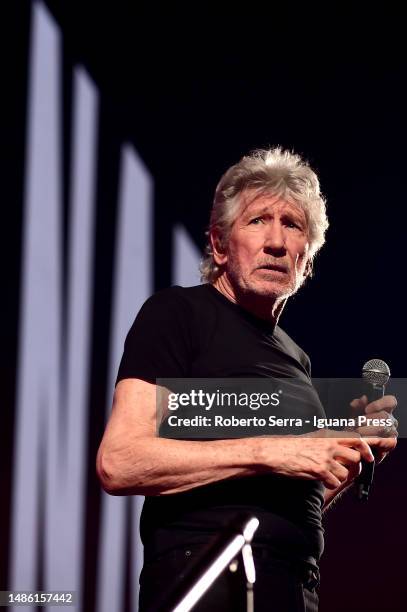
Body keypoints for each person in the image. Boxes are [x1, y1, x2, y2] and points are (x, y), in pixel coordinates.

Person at [96, 148, 398, 611]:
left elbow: (284, 493)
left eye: (293, 225)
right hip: (208, 575)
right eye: (258, 220)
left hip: (295, 586)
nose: (276, 241)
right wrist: (276, 448)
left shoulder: (297, 358)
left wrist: (341, 459)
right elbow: (119, 461)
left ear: (307, 261)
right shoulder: (179, 314)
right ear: (219, 244)